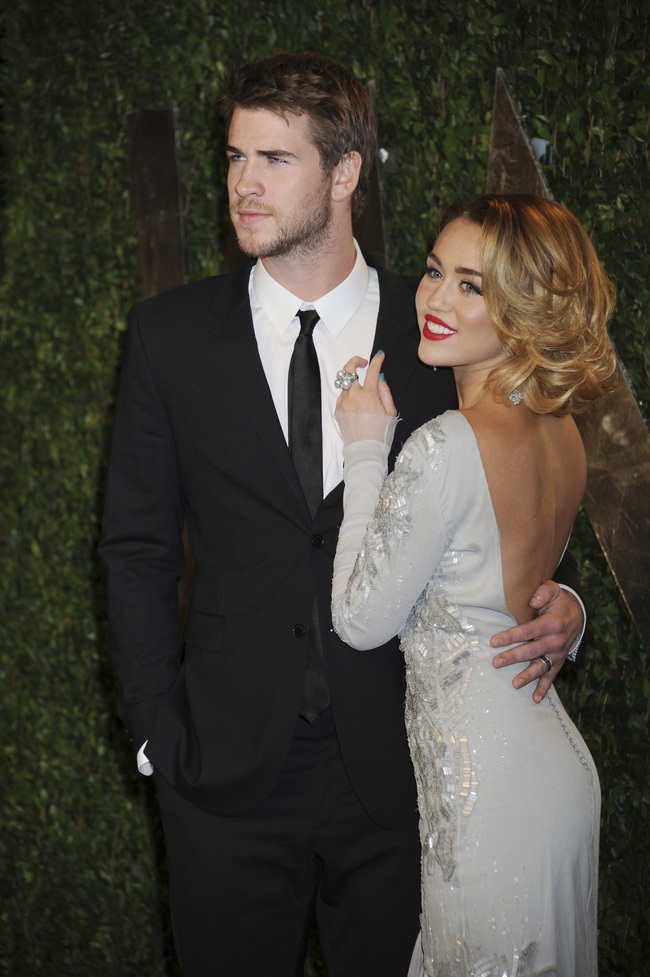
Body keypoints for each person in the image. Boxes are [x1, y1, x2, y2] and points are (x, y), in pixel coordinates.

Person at [99, 53, 585, 977]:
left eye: (275, 160)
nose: (243, 183)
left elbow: (522, 489)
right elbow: (135, 549)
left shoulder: (441, 333)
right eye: (235, 156)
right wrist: (159, 734)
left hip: (402, 780)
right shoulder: (168, 337)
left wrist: (564, 599)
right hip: (225, 776)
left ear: (347, 171)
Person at [331, 193, 616, 976]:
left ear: (524, 308)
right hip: (551, 774)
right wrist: (575, 609)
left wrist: (363, 449)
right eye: (433, 272)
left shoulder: (444, 446)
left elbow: (359, 618)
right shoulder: (562, 433)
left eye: (471, 285)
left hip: (490, 800)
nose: (435, 299)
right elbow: (517, 585)